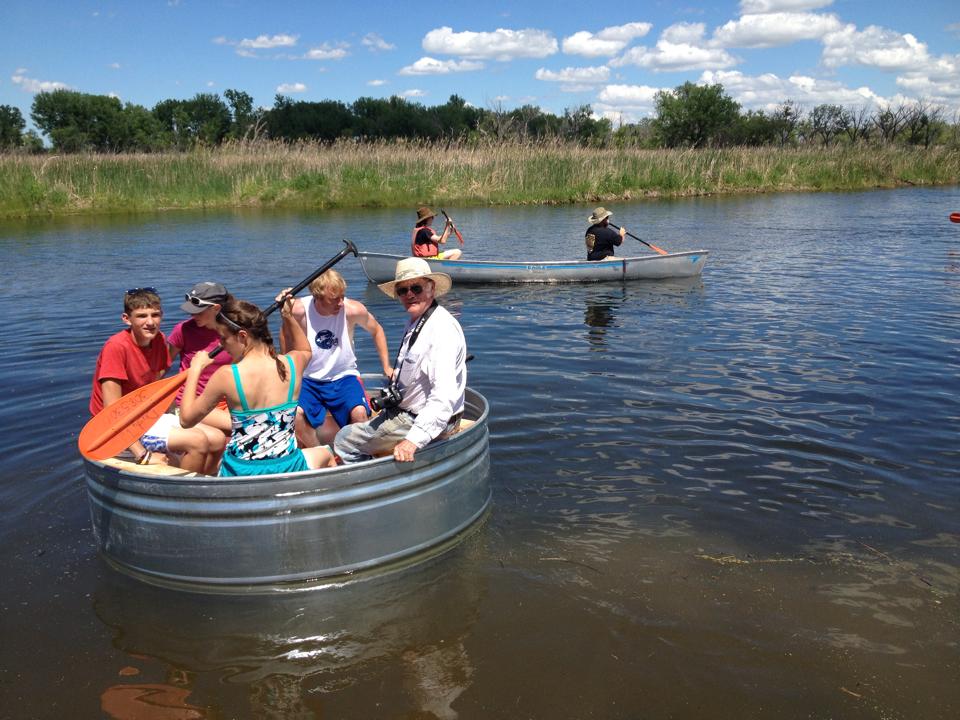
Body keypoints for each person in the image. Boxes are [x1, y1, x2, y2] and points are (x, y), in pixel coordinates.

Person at [180, 295, 336, 476]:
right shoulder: (291, 365)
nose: (221, 345)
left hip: (242, 472)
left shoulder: (227, 375)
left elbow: (186, 420)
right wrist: (288, 316)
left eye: (223, 338)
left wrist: (195, 369)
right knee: (326, 454)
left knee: (216, 463)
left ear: (242, 336)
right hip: (288, 467)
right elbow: (304, 350)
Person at [334, 257, 467, 464]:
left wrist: (412, 440)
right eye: (402, 291)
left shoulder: (441, 331)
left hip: (426, 420)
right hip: (409, 411)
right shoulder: (417, 320)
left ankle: (372, 486)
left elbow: (443, 396)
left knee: (343, 440)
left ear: (431, 288)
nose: (409, 295)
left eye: (416, 287)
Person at [88, 287, 226, 474]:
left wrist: (169, 414)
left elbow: (155, 382)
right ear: (126, 319)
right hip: (115, 428)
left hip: (145, 416)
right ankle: (182, 497)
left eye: (155, 315)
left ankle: (205, 488)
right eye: (142, 316)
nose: (150, 322)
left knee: (217, 439)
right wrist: (142, 454)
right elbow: (111, 411)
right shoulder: (116, 347)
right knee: (197, 441)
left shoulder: (159, 340)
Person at [280, 269, 393, 447]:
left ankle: (357, 455)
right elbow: (285, 334)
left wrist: (386, 366)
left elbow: (376, 330)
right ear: (317, 297)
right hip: (309, 379)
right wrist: (288, 370)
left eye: (342, 296)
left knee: (359, 413)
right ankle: (320, 452)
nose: (341, 303)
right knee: (293, 415)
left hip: (343, 376)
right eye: (334, 299)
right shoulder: (299, 310)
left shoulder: (352, 309)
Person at [167, 281, 234, 433]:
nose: (192, 315)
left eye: (198, 311)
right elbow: (164, 366)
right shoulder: (182, 330)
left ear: (216, 308)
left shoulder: (236, 332)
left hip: (229, 401)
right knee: (237, 425)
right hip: (193, 403)